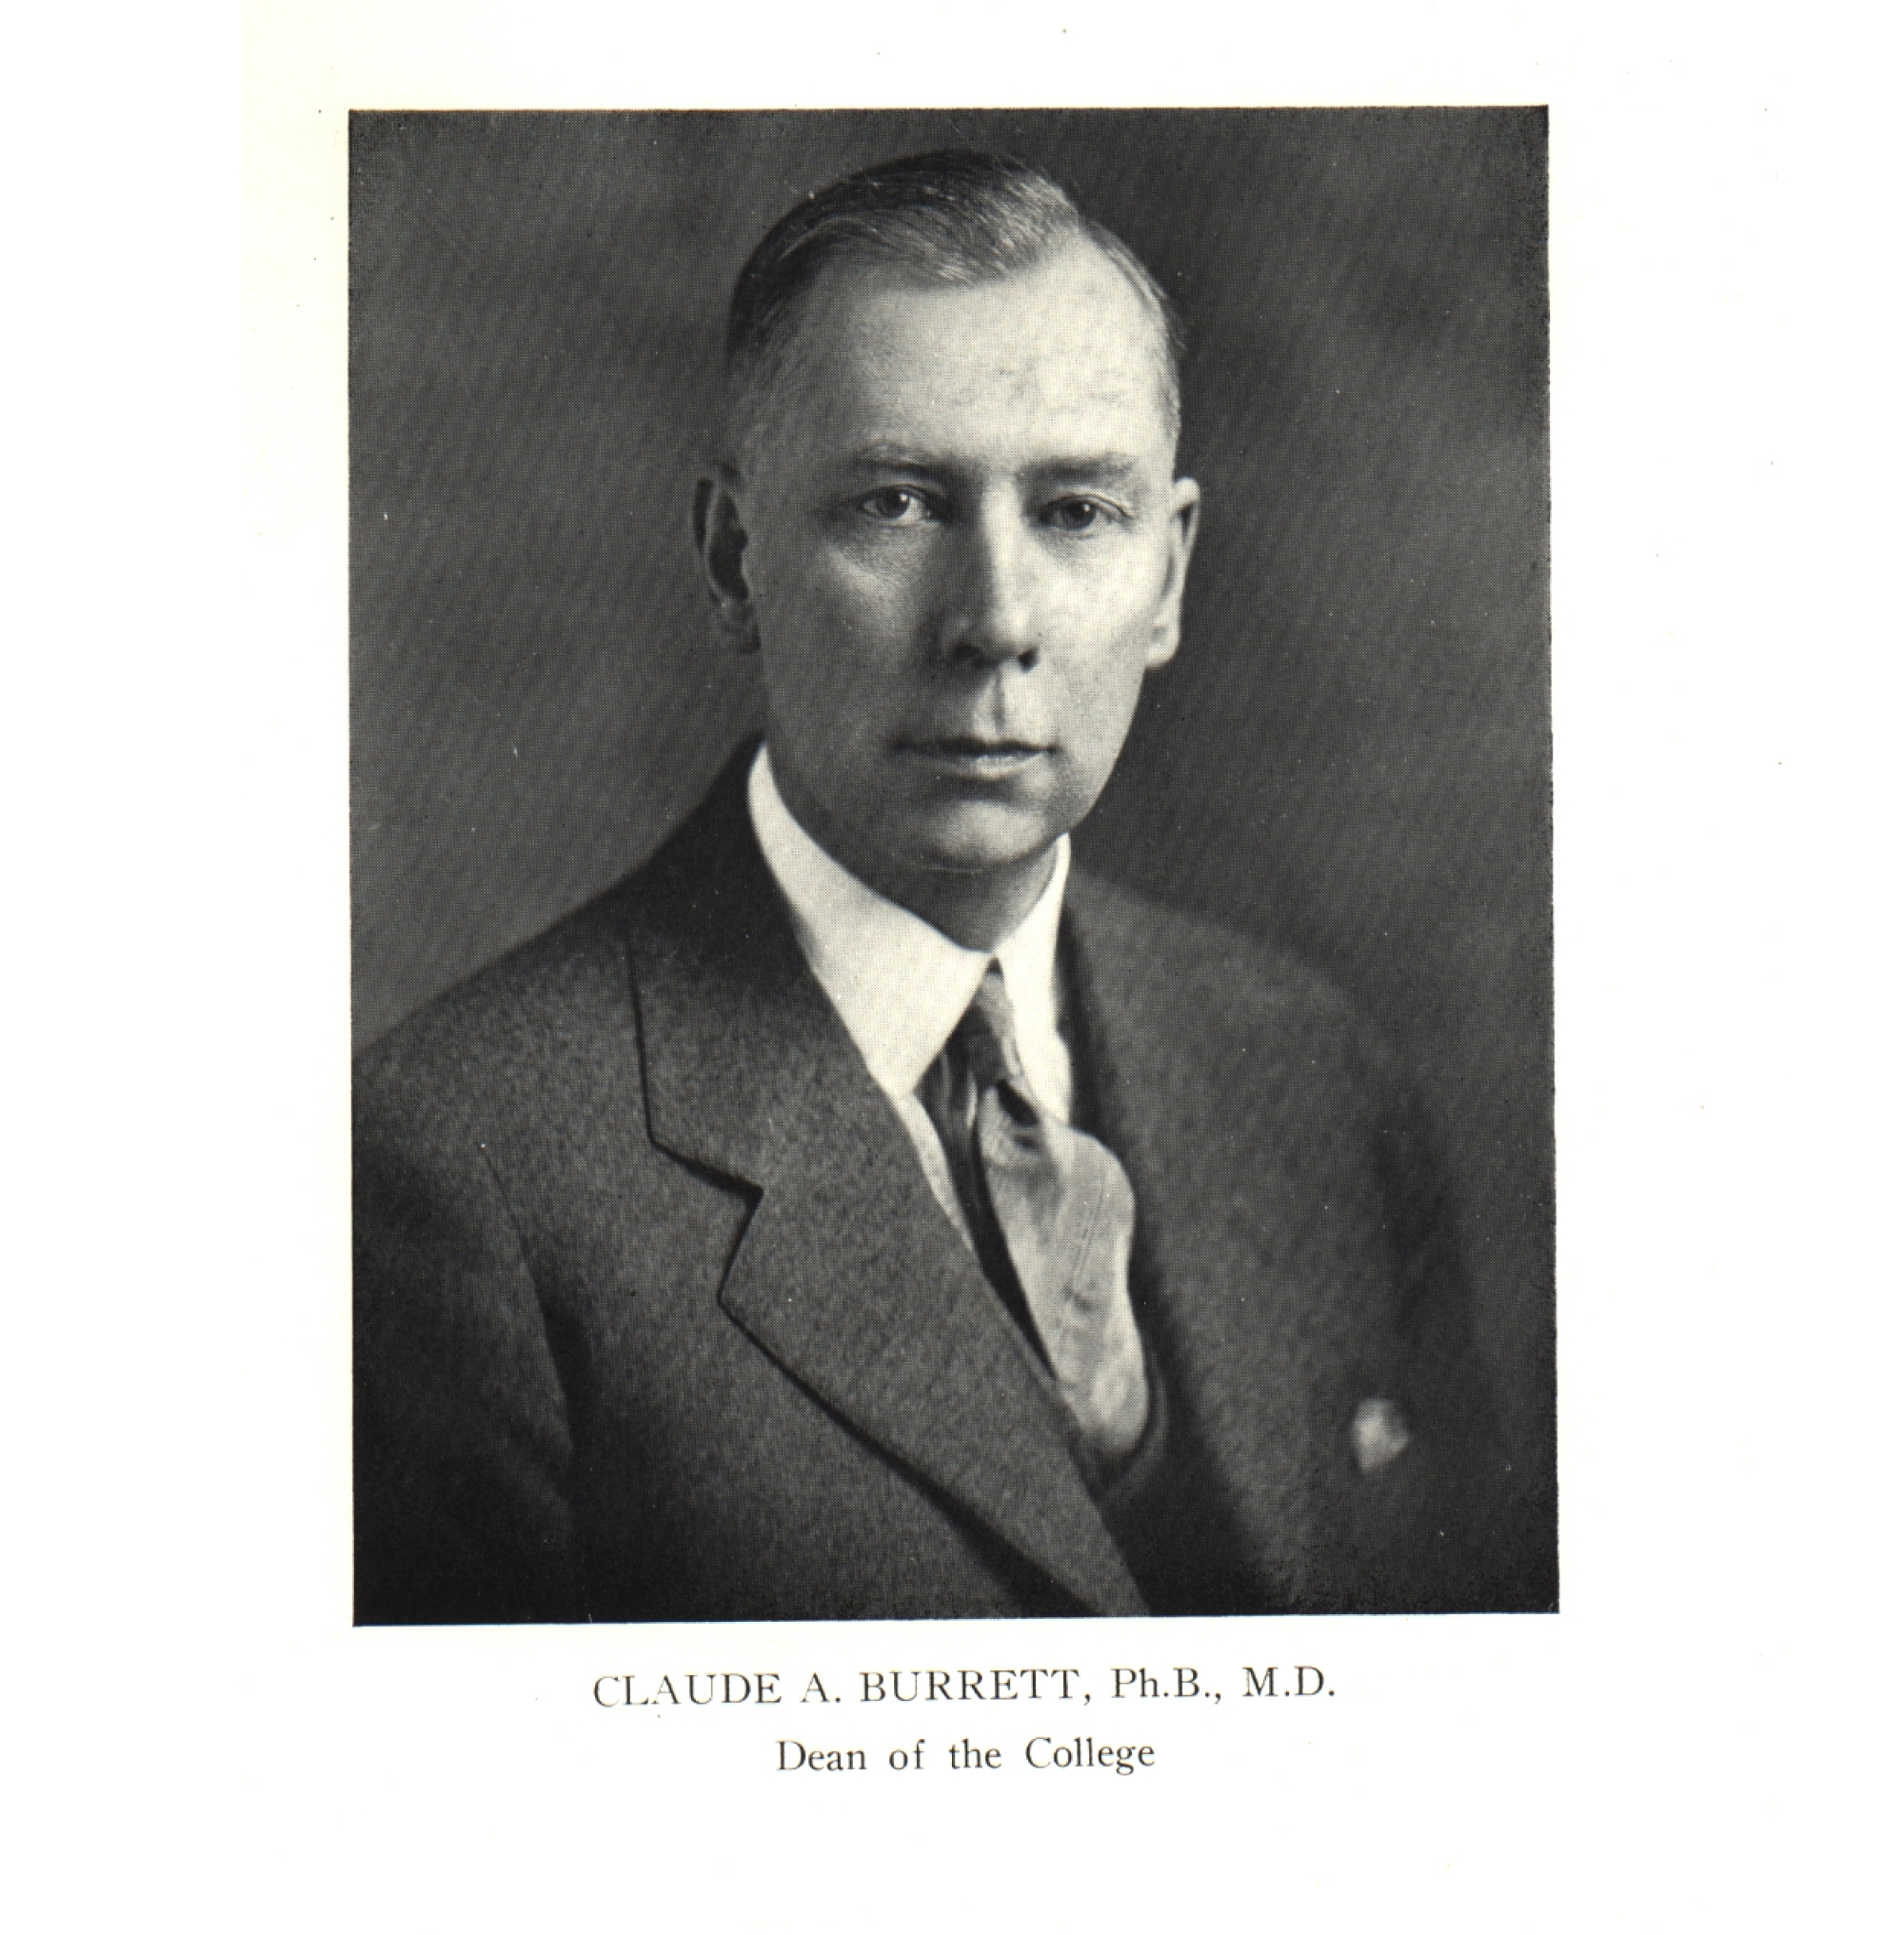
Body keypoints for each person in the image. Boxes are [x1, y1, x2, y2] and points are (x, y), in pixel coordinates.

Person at [353, 148, 1526, 1624]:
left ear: (1166, 580)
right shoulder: (456, 1180)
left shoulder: (1315, 1076)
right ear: (733, 561)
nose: (995, 623)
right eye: (899, 504)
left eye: (1078, 513)